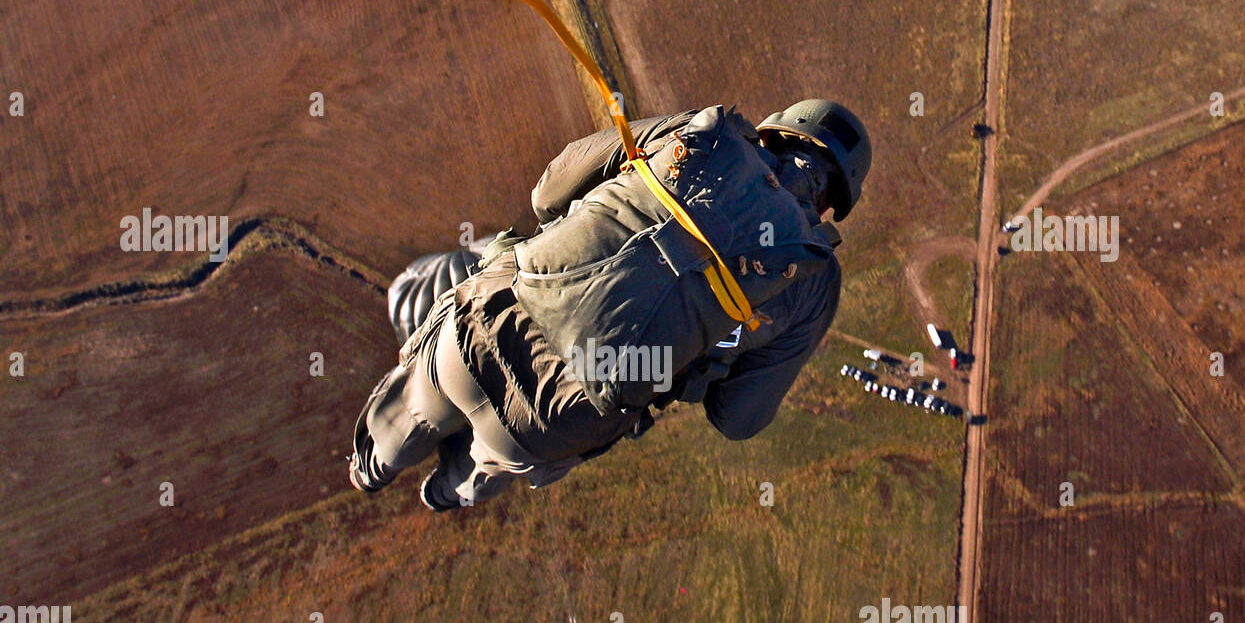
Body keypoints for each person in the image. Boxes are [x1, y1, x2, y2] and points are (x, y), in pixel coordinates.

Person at [348, 99, 871, 510]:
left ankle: (372, 466)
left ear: (773, 131)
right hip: (555, 422)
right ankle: (447, 493)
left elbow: (549, 192)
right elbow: (737, 419)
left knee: (413, 407)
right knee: (491, 464)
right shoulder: (812, 278)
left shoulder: (703, 131)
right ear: (829, 207)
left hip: (486, 328)